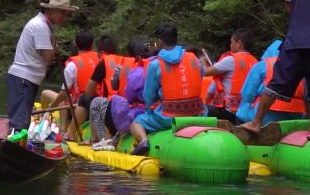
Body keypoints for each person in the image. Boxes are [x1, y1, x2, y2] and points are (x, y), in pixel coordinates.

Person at [242, 0, 310, 133]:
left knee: (276, 83)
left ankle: (256, 123)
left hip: (296, 40)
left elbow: (288, 5)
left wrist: (299, 17)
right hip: (299, 39)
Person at [129, 23, 206, 155]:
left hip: (168, 118)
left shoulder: (155, 64)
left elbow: (149, 96)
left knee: (136, 122)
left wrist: (150, 110)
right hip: (197, 113)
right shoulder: (193, 58)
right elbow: (201, 75)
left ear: (159, 42)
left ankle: (143, 141)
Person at [6, 0, 78, 131]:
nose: (64, 17)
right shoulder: (40, 27)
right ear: (51, 10)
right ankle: (14, 147)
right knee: (19, 122)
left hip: (27, 78)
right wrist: (54, 46)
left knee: (21, 120)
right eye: (62, 13)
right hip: (23, 77)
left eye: (66, 14)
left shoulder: (44, 25)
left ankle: (17, 145)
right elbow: (48, 57)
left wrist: (53, 44)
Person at [88, 38, 154, 148]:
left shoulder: (126, 68)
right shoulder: (161, 67)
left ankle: (103, 139)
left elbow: (124, 93)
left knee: (96, 102)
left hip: (134, 113)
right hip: (157, 111)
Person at [41, 29, 98, 133]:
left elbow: (64, 94)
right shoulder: (100, 60)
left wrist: (52, 105)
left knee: (48, 94)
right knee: (65, 95)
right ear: (92, 45)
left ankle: (61, 127)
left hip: (79, 108)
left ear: (76, 44)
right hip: (99, 105)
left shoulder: (72, 65)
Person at [237, 40, 305, 124]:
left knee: (244, 108)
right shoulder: (302, 69)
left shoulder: (262, 65)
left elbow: (247, 96)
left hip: (262, 117)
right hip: (295, 119)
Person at [201, 28, 258, 123]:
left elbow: (205, 72)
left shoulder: (231, 60)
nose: (230, 45)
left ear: (239, 44)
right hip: (247, 112)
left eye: (232, 42)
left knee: (199, 109)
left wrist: (202, 63)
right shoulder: (255, 61)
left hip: (229, 112)